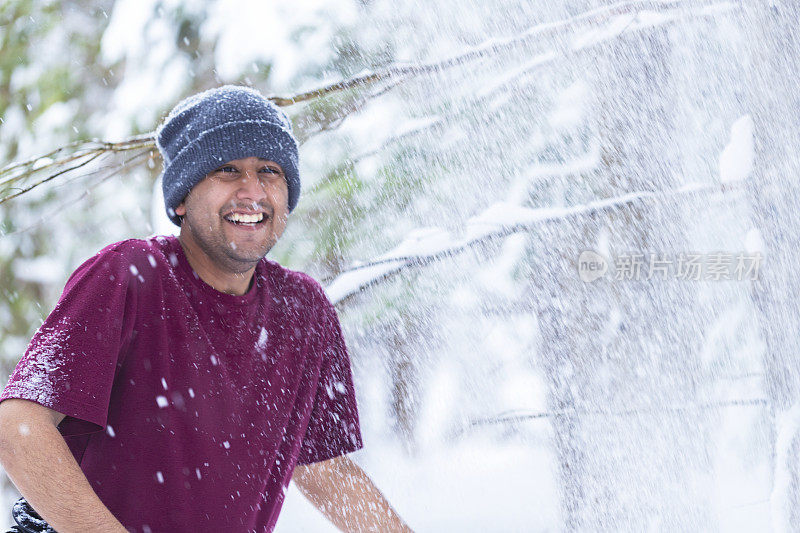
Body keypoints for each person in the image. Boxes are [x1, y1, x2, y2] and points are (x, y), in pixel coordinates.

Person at [0, 85, 412, 532]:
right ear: (181, 199)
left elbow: (325, 470)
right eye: (227, 169)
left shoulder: (304, 311)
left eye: (270, 171)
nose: (252, 191)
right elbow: (19, 428)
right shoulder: (128, 276)